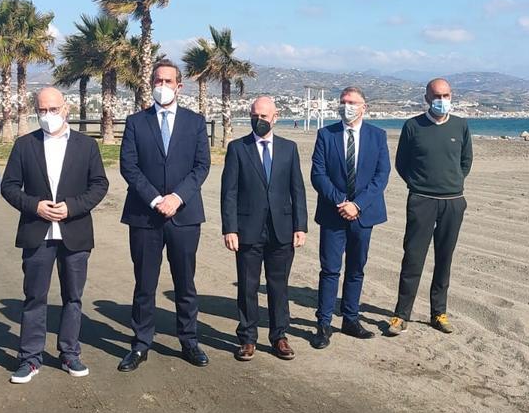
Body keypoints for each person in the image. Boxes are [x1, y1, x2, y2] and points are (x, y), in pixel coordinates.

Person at [1, 88, 109, 384]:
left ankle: (69, 352)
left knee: (73, 297)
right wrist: (35, 206)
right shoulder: (25, 145)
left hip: (74, 232)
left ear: (66, 109)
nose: (47, 116)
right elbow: (9, 187)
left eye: (53, 109)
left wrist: (71, 208)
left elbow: (99, 185)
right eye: (41, 110)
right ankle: (29, 358)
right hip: (37, 232)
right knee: (35, 296)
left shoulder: (86, 146)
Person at [117, 60, 211, 372]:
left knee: (185, 282)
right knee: (145, 282)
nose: (162, 85)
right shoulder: (135, 122)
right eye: (158, 80)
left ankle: (189, 340)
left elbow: (201, 167)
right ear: (151, 83)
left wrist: (177, 197)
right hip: (145, 215)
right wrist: (156, 199)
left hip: (184, 216)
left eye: (168, 80)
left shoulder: (195, 122)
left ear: (179, 86)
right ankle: (141, 343)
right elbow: (129, 166)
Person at [220, 96, 307, 361]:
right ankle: (247, 338)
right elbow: (229, 192)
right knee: (247, 285)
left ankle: (279, 336)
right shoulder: (238, 148)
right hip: (247, 229)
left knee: (278, 285)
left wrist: (300, 226)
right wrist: (229, 228)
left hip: (281, 229)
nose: (259, 121)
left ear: (275, 117)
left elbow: (298, 190)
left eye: (264, 117)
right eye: (254, 116)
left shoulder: (289, 149)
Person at [386, 78, 473, 337]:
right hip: (421, 200)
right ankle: (401, 315)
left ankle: (439, 313)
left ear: (451, 96)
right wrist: (420, 185)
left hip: (453, 202)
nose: (442, 100)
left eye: (446, 95)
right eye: (436, 96)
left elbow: (466, 161)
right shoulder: (413, 126)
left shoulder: (461, 125)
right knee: (413, 257)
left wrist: (453, 182)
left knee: (444, 259)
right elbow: (402, 163)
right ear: (426, 98)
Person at [309, 86, 390, 349]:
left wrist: (358, 205)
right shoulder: (326, 134)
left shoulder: (378, 136)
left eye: (352, 102)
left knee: (356, 269)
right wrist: (340, 201)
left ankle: (350, 319)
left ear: (364, 106)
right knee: (330, 269)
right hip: (334, 214)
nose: (347, 106)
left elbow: (381, 176)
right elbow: (318, 174)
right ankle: (323, 323)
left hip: (363, 215)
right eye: (343, 102)